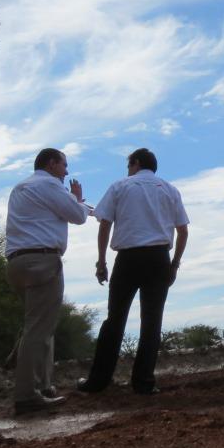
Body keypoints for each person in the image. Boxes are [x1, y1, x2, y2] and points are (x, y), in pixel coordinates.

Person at [78, 148, 189, 395]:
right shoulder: (170, 189)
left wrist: (101, 261)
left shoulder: (121, 186)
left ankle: (97, 382)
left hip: (128, 259)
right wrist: (174, 264)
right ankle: (144, 383)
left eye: (128, 166)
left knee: (114, 320)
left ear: (136, 163)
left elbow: (105, 223)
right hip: (159, 258)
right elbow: (182, 231)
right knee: (151, 322)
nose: (127, 171)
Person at [5, 148, 91, 415]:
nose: (66, 172)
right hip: (42, 260)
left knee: (39, 325)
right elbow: (78, 216)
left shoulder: (21, 187)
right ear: (52, 164)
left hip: (16, 263)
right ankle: (27, 395)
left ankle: (43, 386)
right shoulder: (50, 185)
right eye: (64, 165)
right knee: (39, 330)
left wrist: (76, 202)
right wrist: (78, 199)